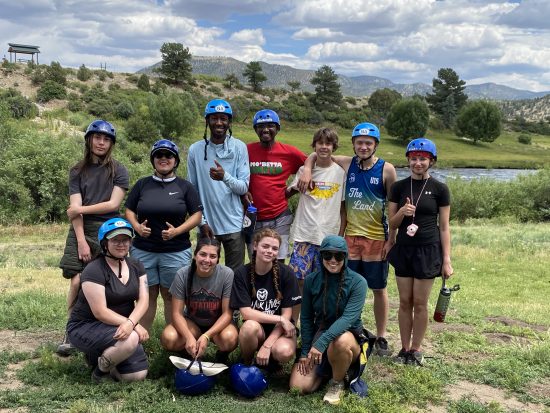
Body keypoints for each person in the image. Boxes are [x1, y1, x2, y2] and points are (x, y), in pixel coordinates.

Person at [298, 122, 397, 357]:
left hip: (376, 237)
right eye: (360, 143)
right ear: (353, 144)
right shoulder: (347, 163)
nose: (363, 147)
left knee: (379, 288)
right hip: (350, 238)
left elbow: (393, 207)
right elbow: (317, 152)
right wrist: (308, 169)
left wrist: (391, 238)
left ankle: (381, 336)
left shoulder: (387, 169)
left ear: (375, 145)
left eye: (368, 143)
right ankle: (351, 327)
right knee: (344, 286)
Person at [57, 119, 129, 356]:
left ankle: (107, 326)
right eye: (97, 137)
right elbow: (74, 209)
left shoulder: (119, 170)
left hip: (109, 228)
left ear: (111, 143)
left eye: (106, 139)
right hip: (81, 229)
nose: (101, 142)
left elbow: (114, 203)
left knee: (107, 281)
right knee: (77, 281)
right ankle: (71, 329)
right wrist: (81, 240)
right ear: (89, 140)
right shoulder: (77, 170)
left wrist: (80, 210)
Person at [387, 138, 453, 366]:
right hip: (404, 250)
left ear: (431, 161)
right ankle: (403, 348)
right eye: (414, 158)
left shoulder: (440, 189)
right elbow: (392, 224)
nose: (418, 163)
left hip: (428, 250)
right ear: (408, 160)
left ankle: (416, 349)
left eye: (423, 159)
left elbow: (444, 227)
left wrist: (446, 260)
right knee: (405, 301)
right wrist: (403, 212)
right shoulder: (399, 187)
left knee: (421, 303)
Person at [125, 139, 203, 332]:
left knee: (171, 296)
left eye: (169, 155)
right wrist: (136, 226)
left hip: (175, 251)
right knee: (147, 295)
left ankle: (172, 340)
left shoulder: (185, 187)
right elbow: (129, 210)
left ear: (175, 161)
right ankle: (140, 342)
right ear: (153, 160)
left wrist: (178, 231)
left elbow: (197, 215)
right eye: (159, 155)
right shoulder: (142, 184)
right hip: (144, 250)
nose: (164, 159)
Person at [66, 218, 149, 383]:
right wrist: (132, 324)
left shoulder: (136, 265)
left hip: (120, 325)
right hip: (87, 325)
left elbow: (144, 300)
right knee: (132, 337)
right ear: (105, 243)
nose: (121, 244)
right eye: (115, 240)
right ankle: (99, 372)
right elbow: (100, 312)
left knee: (136, 376)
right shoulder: (94, 269)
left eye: (125, 239)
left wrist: (130, 322)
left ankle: (100, 356)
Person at [289, 235, 367, 406]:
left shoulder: (358, 282)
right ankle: (329, 370)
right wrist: (305, 352)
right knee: (299, 387)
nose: (333, 260)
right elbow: (308, 318)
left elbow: (348, 319)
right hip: (320, 334)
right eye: (327, 255)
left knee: (340, 341)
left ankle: (337, 382)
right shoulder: (311, 280)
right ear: (321, 256)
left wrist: (321, 343)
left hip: (348, 335)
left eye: (338, 256)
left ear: (345, 257)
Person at [187, 98, 250, 270]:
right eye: (214, 118)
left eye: (223, 118)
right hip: (207, 226)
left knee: (235, 276)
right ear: (207, 121)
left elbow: (243, 187)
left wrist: (225, 177)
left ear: (229, 122)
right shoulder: (195, 150)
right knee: (203, 273)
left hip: (234, 225)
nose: (219, 123)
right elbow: (192, 191)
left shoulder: (239, 148)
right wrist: (202, 222)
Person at [230, 228, 301, 374]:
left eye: (274, 248)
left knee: (284, 351)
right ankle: (247, 362)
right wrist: (280, 318)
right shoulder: (241, 273)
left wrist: (267, 345)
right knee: (249, 327)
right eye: (265, 246)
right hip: (257, 329)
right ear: (255, 245)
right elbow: (247, 313)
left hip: (281, 330)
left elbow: (287, 316)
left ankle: (272, 363)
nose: (270, 251)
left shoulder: (287, 273)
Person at [287, 127, 346, 294]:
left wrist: (340, 235)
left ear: (334, 147)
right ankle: (296, 319)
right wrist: (306, 169)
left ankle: (321, 319)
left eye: (328, 143)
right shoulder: (303, 171)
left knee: (326, 282)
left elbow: (343, 208)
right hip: (304, 234)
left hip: (329, 236)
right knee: (298, 281)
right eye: (320, 143)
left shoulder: (341, 173)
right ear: (314, 145)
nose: (324, 147)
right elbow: (288, 193)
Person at [243, 109, 307, 263]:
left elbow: (311, 164)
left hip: (280, 217)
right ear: (255, 129)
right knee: (256, 261)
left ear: (277, 128)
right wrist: (243, 192)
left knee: (278, 261)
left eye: (270, 125)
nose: (265, 129)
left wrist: (292, 189)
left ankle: (277, 288)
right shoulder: (246, 150)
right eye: (261, 126)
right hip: (253, 216)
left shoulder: (289, 152)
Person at [160, 238, 238, 363]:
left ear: (218, 259)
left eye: (212, 256)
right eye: (203, 254)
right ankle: (187, 352)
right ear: (195, 255)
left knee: (229, 339)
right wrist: (188, 337)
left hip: (218, 323)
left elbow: (227, 314)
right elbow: (176, 314)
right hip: (192, 322)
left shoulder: (227, 274)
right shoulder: (182, 274)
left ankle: (222, 356)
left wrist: (207, 336)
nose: (207, 260)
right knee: (169, 338)